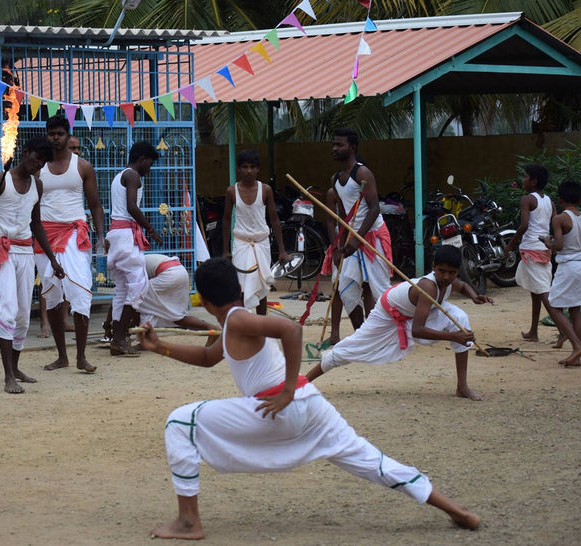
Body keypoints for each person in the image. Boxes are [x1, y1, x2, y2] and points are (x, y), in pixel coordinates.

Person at [137, 257, 480, 540]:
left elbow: (292, 329)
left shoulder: (239, 320)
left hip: (281, 405)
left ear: (206, 302)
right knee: (371, 461)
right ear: (239, 290)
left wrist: (286, 389)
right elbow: (208, 358)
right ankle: (456, 510)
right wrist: (159, 346)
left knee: (180, 421)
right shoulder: (234, 322)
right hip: (311, 404)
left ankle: (188, 521)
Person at [307, 246, 490, 401]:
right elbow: (417, 330)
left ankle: (462, 386)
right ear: (433, 268)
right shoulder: (428, 287)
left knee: (461, 320)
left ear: (458, 272)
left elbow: (463, 286)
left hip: (416, 312)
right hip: (388, 314)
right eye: (441, 271)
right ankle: (303, 382)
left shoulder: (451, 282)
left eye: (452, 273)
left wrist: (474, 296)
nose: (446, 277)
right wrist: (453, 336)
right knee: (349, 350)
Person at [0, 136, 64, 394]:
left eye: (44, 161)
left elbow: (36, 224)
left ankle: (15, 368)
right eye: (37, 158)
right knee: (7, 312)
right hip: (2, 251)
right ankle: (7, 377)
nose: (39, 164)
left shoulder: (38, 185)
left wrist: (53, 259)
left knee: (24, 316)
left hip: (25, 252)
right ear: (25, 152)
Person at [36, 115, 105, 373]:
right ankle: (62, 356)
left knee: (81, 289)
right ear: (47, 134)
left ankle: (81, 356)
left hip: (75, 234)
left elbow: (95, 204)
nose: (55, 137)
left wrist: (100, 235)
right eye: (51, 133)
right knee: (52, 295)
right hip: (44, 237)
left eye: (60, 133)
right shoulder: (37, 166)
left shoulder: (83, 166)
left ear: (67, 135)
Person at [325, 128, 391, 344]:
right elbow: (342, 218)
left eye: (340, 145)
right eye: (334, 144)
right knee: (344, 285)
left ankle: (396, 331)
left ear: (352, 148)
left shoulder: (363, 173)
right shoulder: (335, 179)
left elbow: (374, 209)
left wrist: (356, 239)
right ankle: (364, 336)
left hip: (372, 237)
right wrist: (337, 247)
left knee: (380, 290)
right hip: (351, 239)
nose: (335, 148)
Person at [106, 141, 162, 355]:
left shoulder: (119, 176)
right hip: (126, 235)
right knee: (139, 286)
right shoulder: (133, 176)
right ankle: (120, 337)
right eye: (150, 164)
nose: (150, 169)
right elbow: (131, 206)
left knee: (122, 289)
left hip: (118, 234)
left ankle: (116, 338)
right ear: (142, 160)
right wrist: (151, 229)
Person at [222, 149, 289, 315]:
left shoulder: (265, 190)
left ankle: (261, 326)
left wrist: (282, 249)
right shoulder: (232, 191)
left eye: (252, 167)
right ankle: (243, 324)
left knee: (262, 285)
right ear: (239, 169)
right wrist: (225, 250)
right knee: (241, 286)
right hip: (241, 243)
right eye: (244, 167)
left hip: (262, 243)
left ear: (258, 169)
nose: (249, 171)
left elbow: (274, 219)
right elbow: (226, 220)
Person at [504, 164, 557, 343]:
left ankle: (564, 330)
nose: (522, 179)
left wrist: (510, 245)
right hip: (544, 248)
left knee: (542, 292)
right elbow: (554, 223)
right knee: (536, 292)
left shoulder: (527, 199)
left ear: (533, 181)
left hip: (531, 249)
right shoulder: (549, 201)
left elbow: (524, 225)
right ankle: (533, 331)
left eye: (525, 176)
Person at [135, 253, 219, 333]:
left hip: (168, 274)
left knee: (140, 302)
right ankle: (210, 327)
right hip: (180, 271)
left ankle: (145, 336)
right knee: (178, 317)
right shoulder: (138, 260)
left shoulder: (131, 265)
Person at [545, 180, 581, 367]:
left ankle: (576, 346)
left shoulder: (559, 218)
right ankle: (578, 353)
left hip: (568, 266)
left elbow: (558, 246)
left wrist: (547, 243)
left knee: (554, 305)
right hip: (580, 264)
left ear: (559, 199)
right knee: (575, 307)